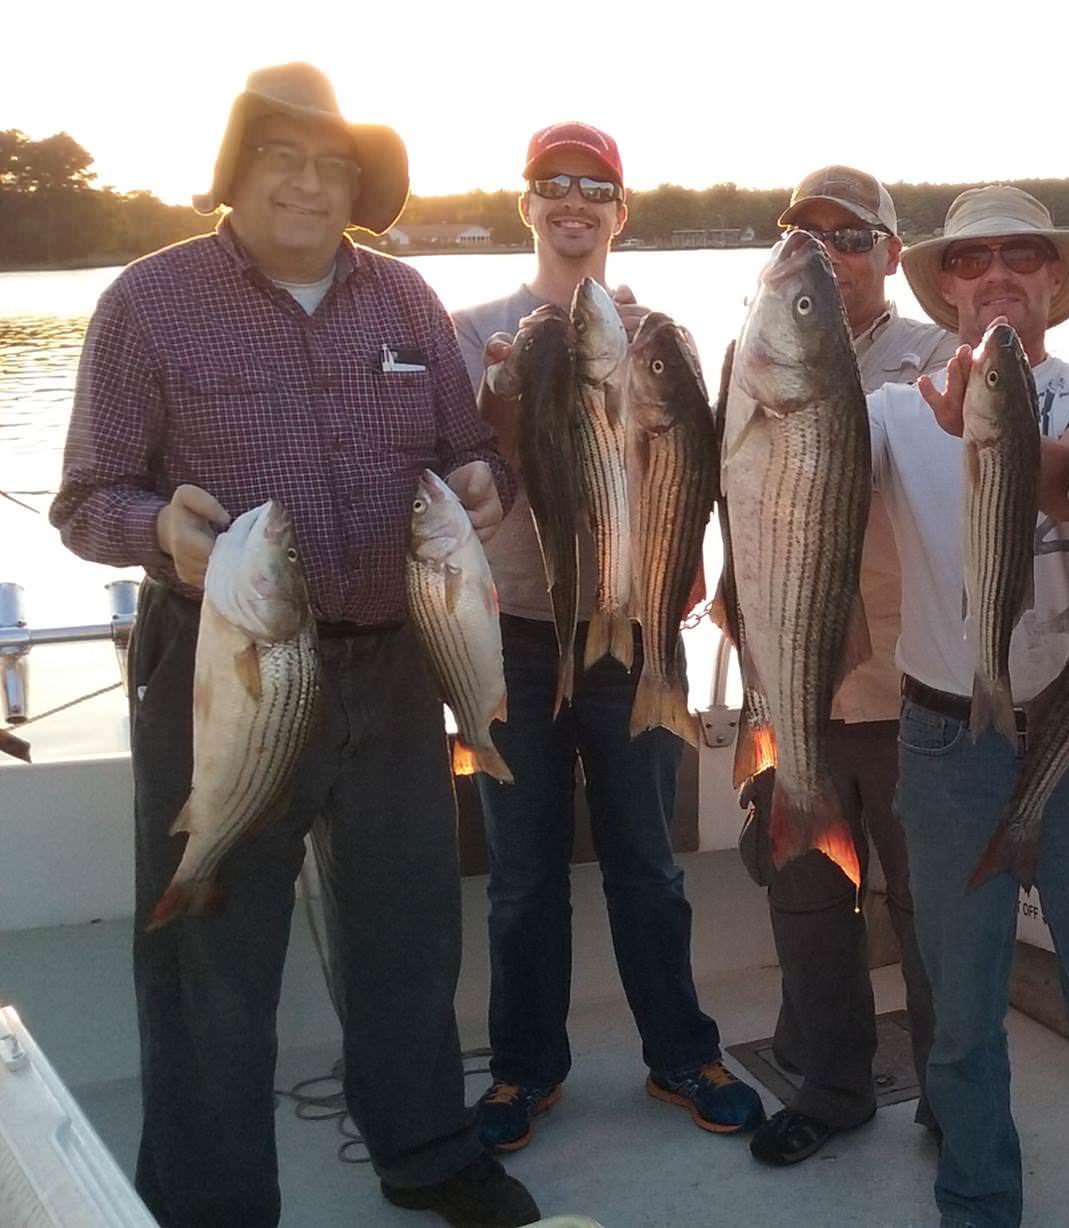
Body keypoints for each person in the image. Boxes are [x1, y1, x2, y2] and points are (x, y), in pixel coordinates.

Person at [49, 63, 540, 1228]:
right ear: (236, 170)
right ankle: (210, 1200)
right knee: (209, 950)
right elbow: (83, 501)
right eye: (283, 158)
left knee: (408, 933)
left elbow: (474, 452)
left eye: (332, 166)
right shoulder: (146, 301)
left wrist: (484, 479)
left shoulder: (409, 302)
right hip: (225, 663)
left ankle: (424, 1151)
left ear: (357, 186)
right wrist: (154, 529)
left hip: (393, 660)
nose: (308, 185)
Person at [449, 121, 766, 1155]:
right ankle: (521, 1071)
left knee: (648, 861)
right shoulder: (468, 332)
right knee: (522, 874)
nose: (573, 201)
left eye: (595, 186)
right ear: (526, 204)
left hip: (634, 631)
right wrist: (504, 396)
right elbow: (456, 482)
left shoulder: (655, 336)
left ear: (620, 212)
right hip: (515, 634)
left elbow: (692, 479)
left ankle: (683, 1053)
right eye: (553, 183)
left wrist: (686, 577)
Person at [875, 184, 1069, 1227]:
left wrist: (1001, 436)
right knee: (961, 1020)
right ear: (943, 286)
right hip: (942, 738)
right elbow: (783, 468)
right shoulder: (889, 412)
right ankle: (975, 1204)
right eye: (969, 260)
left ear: (1053, 277)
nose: (996, 273)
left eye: (1020, 253)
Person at [736, 165, 950, 1166]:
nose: (829, 254)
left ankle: (955, 1093)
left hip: (910, 683)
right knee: (808, 894)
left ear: (893, 254)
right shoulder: (754, 352)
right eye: (806, 236)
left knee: (926, 902)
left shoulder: (941, 355)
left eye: (852, 238)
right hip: (790, 679)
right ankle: (830, 1085)